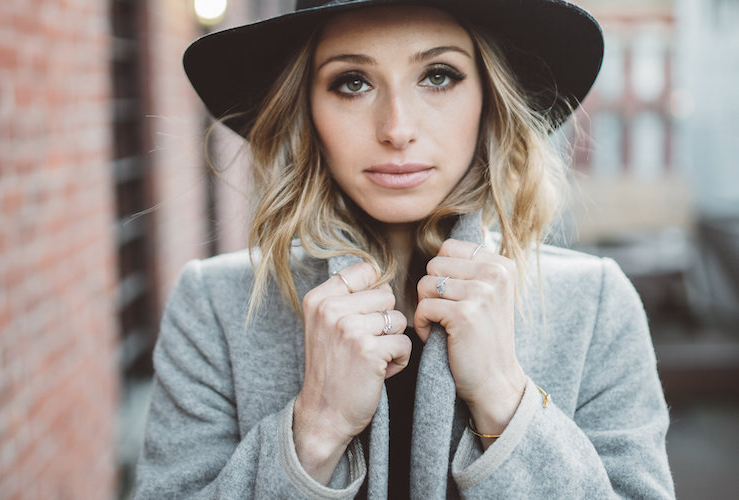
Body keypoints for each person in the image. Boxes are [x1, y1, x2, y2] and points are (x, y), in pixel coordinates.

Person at [135, 1, 675, 498]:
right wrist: (315, 431)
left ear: (490, 97)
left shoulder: (596, 304)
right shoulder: (214, 306)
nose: (396, 128)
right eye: (351, 82)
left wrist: (504, 397)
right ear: (305, 109)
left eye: (438, 76)